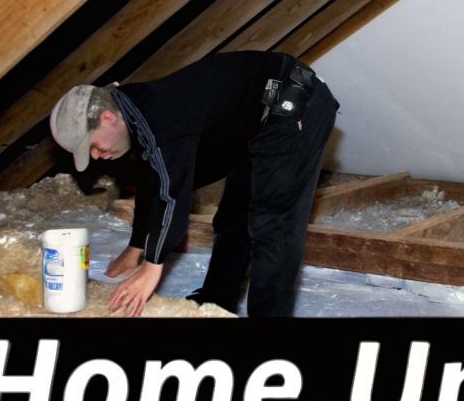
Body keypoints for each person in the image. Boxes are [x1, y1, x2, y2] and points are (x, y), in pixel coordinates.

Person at [48, 51, 337, 317]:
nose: (97, 155)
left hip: (296, 106)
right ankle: (217, 300)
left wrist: (152, 267)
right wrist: (137, 246)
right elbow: (154, 180)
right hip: (259, 122)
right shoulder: (135, 110)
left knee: (272, 226)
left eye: (93, 145)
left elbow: (174, 195)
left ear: (107, 118)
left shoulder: (158, 115)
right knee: (233, 217)